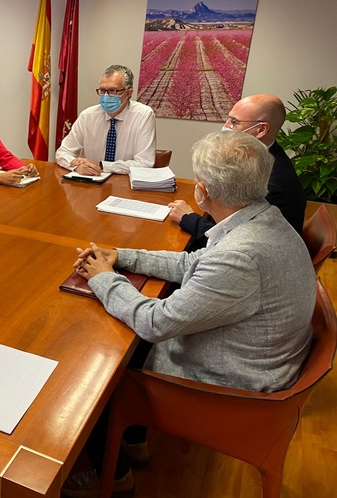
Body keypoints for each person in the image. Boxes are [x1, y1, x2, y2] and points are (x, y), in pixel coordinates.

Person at [63, 131, 315, 496]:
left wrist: (104, 279)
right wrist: (123, 255)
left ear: (203, 190)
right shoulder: (262, 217)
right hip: (259, 355)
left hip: (235, 386)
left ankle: (112, 475)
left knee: (100, 363)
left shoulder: (241, 255)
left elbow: (155, 322)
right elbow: (194, 262)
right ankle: (133, 439)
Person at [168, 94, 306, 249]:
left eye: (234, 122)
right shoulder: (262, 158)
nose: (226, 126)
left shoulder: (273, 184)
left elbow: (234, 240)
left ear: (261, 129)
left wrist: (189, 218)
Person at [55, 64, 156, 175]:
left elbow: (144, 164)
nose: (106, 96)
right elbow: (62, 152)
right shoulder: (88, 115)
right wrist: (77, 166)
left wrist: (102, 165)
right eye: (103, 90)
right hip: (91, 181)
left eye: (113, 91)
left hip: (124, 185)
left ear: (128, 93)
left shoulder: (143, 115)